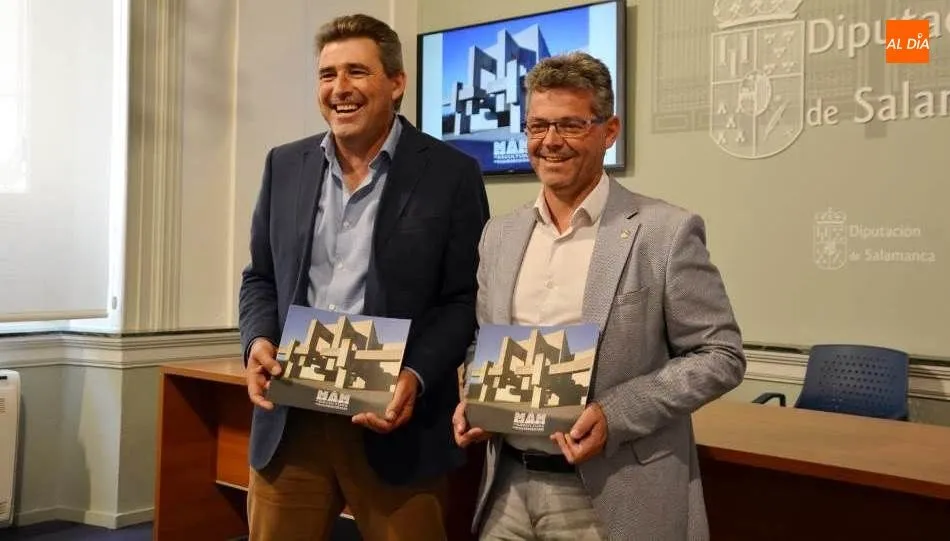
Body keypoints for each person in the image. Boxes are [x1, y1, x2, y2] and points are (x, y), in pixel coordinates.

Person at [453, 52, 746, 540]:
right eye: (537, 126)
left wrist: (616, 413)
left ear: (608, 131)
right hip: (506, 486)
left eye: (570, 125)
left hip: (609, 493)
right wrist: (475, 398)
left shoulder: (664, 232)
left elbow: (721, 355)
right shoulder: (498, 236)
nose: (550, 142)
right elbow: (484, 341)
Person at [239, 13, 490, 541]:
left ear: (396, 83)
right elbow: (260, 277)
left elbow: (464, 298)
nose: (340, 89)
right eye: (328, 74)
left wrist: (415, 376)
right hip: (293, 419)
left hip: (395, 421)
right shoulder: (284, 165)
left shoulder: (451, 174)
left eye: (357, 71)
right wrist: (257, 339)